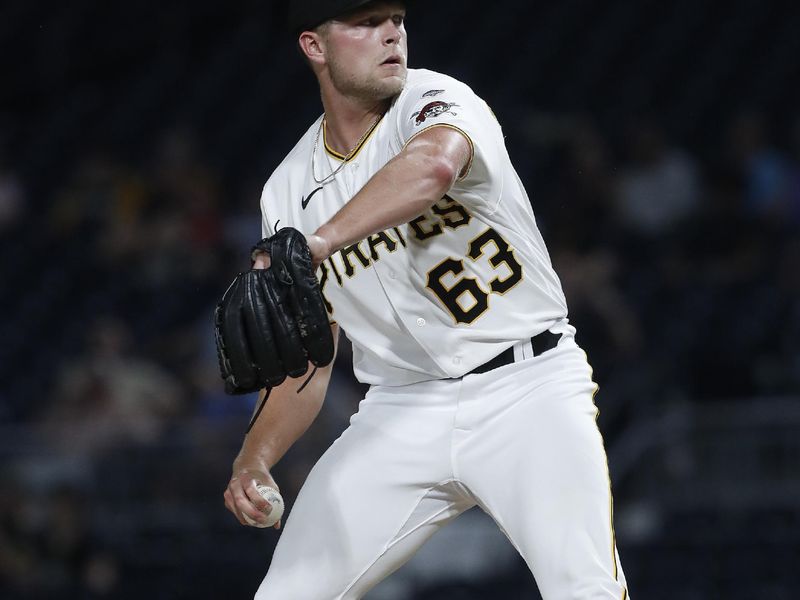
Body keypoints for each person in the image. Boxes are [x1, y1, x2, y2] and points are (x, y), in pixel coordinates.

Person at [223, 1, 630, 598]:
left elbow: (434, 167)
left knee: (584, 588)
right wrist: (254, 459)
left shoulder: (434, 100)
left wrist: (320, 242)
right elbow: (308, 355)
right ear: (315, 46)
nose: (391, 32)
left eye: (396, 18)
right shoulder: (287, 190)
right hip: (399, 411)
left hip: (529, 387)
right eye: (365, 22)